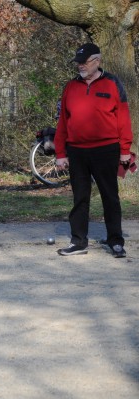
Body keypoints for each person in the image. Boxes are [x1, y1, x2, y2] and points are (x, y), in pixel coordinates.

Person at [55, 43, 133, 258]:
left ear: (96, 61)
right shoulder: (70, 87)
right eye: (78, 62)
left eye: (84, 62)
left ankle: (115, 241)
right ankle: (78, 241)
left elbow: (123, 119)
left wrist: (125, 149)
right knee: (80, 197)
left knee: (110, 196)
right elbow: (63, 121)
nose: (80, 66)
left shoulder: (113, 83)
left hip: (106, 149)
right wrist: (60, 153)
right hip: (77, 151)